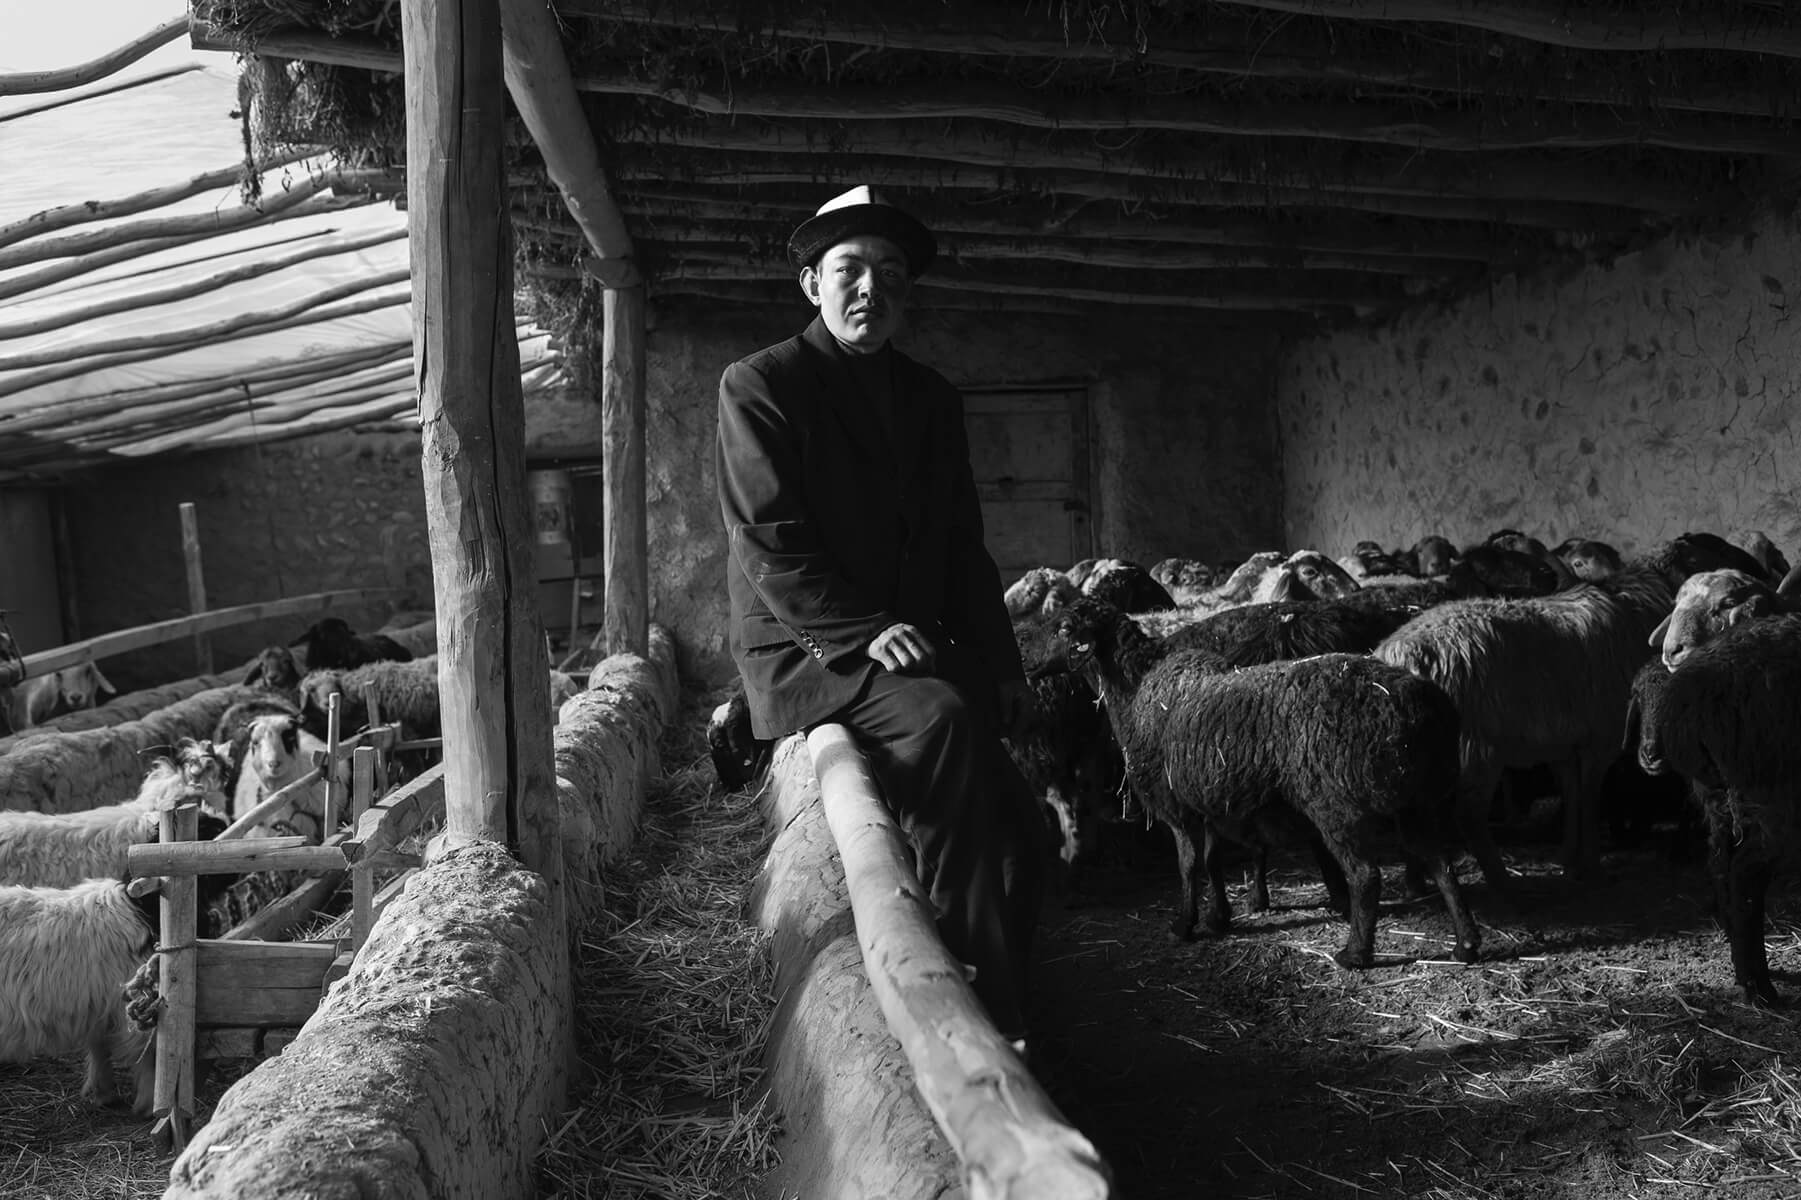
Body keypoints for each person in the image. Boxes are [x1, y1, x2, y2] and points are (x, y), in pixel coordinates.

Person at [715, 186, 1044, 1043]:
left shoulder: (929, 396)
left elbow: (962, 545)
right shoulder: (761, 384)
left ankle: (1018, 995)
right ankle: (975, 1012)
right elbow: (769, 539)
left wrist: (1003, 666)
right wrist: (861, 630)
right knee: (940, 722)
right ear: (810, 284)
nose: (871, 289)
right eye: (850, 270)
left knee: (1031, 831)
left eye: (891, 274)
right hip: (811, 650)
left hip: (907, 646)